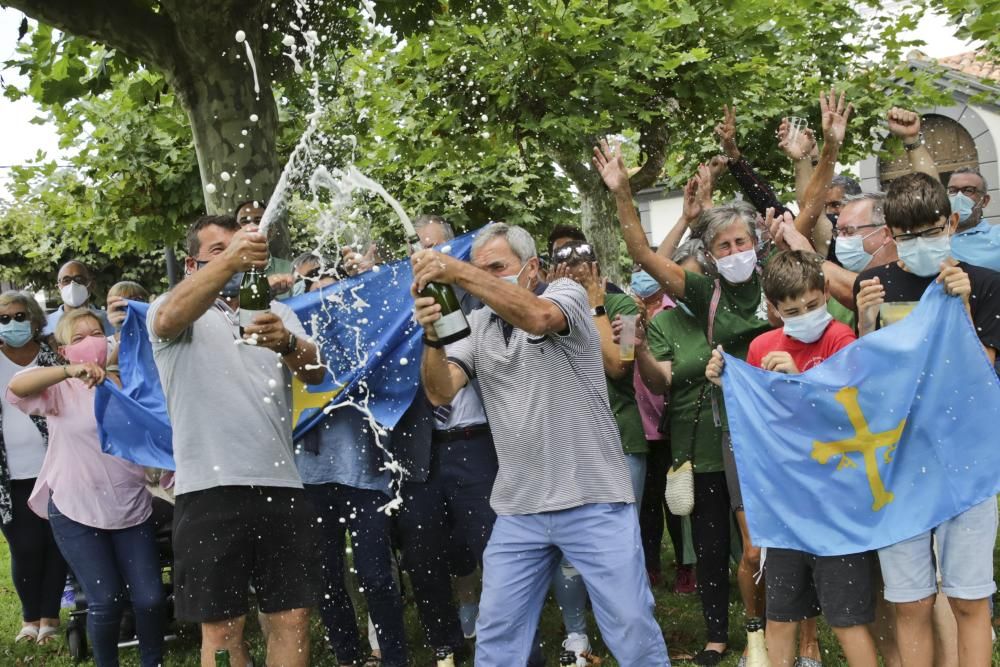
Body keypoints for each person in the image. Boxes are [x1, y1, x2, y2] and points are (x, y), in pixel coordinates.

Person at [411, 222, 668, 666]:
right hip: (519, 507)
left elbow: (605, 356)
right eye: (480, 270)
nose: (485, 278)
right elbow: (439, 390)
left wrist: (456, 271)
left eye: (497, 268)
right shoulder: (475, 323)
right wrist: (432, 336)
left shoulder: (565, 295)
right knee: (497, 633)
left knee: (630, 624)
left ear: (531, 268)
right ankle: (571, 638)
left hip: (593, 492)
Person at [148, 214, 326, 667]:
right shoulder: (173, 309)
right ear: (192, 264)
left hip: (282, 484)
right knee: (223, 630)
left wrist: (286, 342)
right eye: (218, 249)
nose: (235, 256)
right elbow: (168, 319)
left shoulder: (277, 311)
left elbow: (316, 373)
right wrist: (231, 261)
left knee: (293, 620)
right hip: (209, 490)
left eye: (240, 248)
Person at [854, 172, 1000, 667]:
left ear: (953, 222)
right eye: (906, 235)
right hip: (900, 467)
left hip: (968, 467)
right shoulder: (873, 285)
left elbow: (983, 377)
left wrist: (962, 305)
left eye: (930, 231)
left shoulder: (984, 284)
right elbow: (864, 384)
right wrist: (864, 324)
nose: (918, 245)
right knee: (911, 600)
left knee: (969, 598)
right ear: (891, 235)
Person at [706, 250, 878, 667]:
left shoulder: (840, 338)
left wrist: (799, 382)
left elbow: (851, 412)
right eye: (792, 310)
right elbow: (758, 423)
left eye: (812, 305)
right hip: (785, 507)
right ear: (775, 310)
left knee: (846, 619)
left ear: (824, 294)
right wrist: (725, 379)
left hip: (836, 507)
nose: (804, 315)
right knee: (780, 616)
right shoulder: (762, 345)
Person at [7, 308, 164, 667]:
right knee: (105, 599)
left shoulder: (131, 384)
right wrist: (69, 371)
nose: (90, 342)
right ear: (63, 351)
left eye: (96, 333)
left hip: (130, 506)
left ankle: (152, 661)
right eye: (78, 338)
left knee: (151, 598)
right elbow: (16, 387)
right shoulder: (59, 389)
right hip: (75, 508)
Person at [392, 213, 498, 658]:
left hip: (476, 444)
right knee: (423, 554)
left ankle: (503, 641)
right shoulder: (396, 316)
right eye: (418, 250)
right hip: (420, 450)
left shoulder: (483, 301)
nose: (426, 258)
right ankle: (444, 646)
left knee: (495, 551)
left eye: (436, 248)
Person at [546, 236, 648, 661]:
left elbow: (619, 366)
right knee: (568, 549)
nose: (574, 267)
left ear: (597, 265)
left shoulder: (621, 308)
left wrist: (592, 305)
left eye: (582, 259)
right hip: (564, 442)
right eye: (563, 261)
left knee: (620, 546)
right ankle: (576, 634)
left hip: (620, 439)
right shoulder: (542, 312)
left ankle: (628, 631)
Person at [0, 291, 68, 646]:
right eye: (4, 318)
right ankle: (30, 618)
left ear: (34, 318)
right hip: (8, 476)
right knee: (24, 546)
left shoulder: (51, 356)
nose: (12, 324)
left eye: (19, 316)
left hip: (56, 467)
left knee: (56, 543)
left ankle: (50, 619)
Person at [628, 268, 694, 594]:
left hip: (672, 421)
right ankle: (650, 565)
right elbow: (622, 360)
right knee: (647, 503)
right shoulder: (626, 312)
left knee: (678, 501)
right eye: (636, 271)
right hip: (639, 425)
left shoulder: (676, 311)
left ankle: (687, 566)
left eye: (646, 270)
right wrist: (633, 324)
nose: (641, 277)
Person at [233, 199, 296, 297]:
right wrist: (264, 290)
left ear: (271, 231)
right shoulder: (227, 274)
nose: (251, 227)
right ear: (235, 231)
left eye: (259, 221)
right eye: (244, 222)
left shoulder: (290, 269)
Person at [44, 260, 114, 338]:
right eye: (66, 280)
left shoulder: (111, 320)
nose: (73, 284)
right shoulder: (45, 325)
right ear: (58, 288)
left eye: (79, 279)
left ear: (92, 285)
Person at [947, 167, 999, 271]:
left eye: (968, 190)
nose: (958, 197)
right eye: (952, 191)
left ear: (984, 201)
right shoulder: (935, 237)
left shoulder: (997, 235)